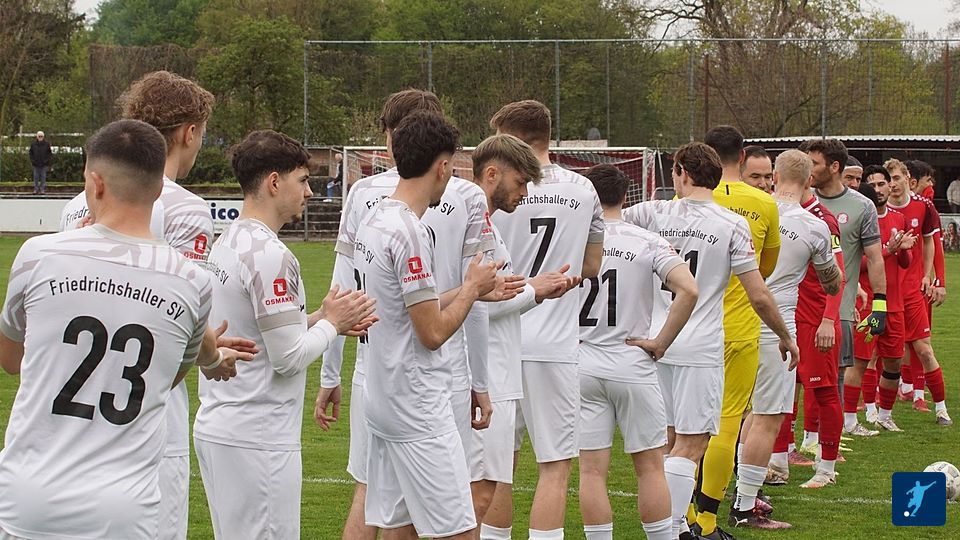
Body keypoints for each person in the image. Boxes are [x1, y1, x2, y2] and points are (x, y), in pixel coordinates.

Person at [0, 119, 250, 539]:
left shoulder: (38, 256)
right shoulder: (191, 282)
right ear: (158, 190)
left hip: (29, 498)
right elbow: (168, 378)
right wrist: (214, 358)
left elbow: (10, 360)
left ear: (95, 183)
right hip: (124, 510)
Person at [315, 89, 503, 540]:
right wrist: (472, 289)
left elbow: (399, 303)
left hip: (381, 392)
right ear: (442, 167)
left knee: (395, 521)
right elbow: (431, 333)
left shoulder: (375, 218)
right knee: (460, 530)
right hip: (417, 403)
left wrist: (468, 288)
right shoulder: (410, 231)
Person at [193, 130, 375, 540]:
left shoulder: (228, 240)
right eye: (303, 180)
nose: (309, 191)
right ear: (274, 182)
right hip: (259, 437)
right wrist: (332, 324)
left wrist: (319, 317)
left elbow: (261, 331)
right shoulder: (272, 255)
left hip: (222, 426)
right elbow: (287, 358)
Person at [624, 142, 798, 540]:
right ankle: (674, 530)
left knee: (668, 442)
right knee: (692, 444)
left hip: (654, 343)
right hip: (700, 347)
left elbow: (608, 219)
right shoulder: (730, 224)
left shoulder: (651, 213)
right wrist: (785, 335)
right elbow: (758, 293)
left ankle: (673, 527)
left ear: (682, 173)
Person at [487, 99, 605, 540]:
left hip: (499, 337)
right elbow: (591, 267)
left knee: (498, 466)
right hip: (553, 343)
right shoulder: (584, 189)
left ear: (513, 139)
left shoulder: (491, 189)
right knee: (554, 466)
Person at [466, 134, 579, 537]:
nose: (525, 193)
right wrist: (536, 290)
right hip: (486, 374)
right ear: (492, 174)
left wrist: (534, 286)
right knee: (477, 494)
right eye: (520, 182)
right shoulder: (473, 225)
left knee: (483, 490)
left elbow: (488, 295)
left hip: (497, 370)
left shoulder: (485, 224)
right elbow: (475, 302)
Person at [579, 164, 698, 540]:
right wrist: (661, 342)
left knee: (591, 471)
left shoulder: (574, 240)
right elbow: (689, 289)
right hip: (631, 360)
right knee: (650, 467)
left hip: (581, 361)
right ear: (623, 196)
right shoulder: (646, 240)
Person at [731, 150, 842, 527]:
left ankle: (719, 492)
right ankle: (745, 504)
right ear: (809, 181)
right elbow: (832, 281)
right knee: (767, 415)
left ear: (774, 177)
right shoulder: (814, 225)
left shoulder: (746, 213)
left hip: (732, 317)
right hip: (776, 327)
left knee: (734, 412)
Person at [695, 125, 781, 540]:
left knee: (684, 427)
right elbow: (764, 270)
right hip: (740, 328)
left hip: (690, 327)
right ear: (743, 156)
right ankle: (707, 520)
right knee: (728, 424)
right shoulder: (764, 203)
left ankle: (682, 515)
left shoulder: (682, 202)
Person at [844, 167, 913, 437]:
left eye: (882, 184)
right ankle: (850, 420)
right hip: (868, 303)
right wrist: (888, 250)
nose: (878, 189)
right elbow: (857, 263)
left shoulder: (898, 218)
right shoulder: (859, 218)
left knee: (894, 362)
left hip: (895, 305)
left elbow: (905, 262)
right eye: (872, 185)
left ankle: (885, 416)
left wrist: (903, 250)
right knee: (860, 362)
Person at [884, 158, 952, 426]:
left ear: (907, 178)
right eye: (888, 180)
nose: (892, 184)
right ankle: (874, 410)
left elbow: (931, 242)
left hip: (913, 291)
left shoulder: (924, 206)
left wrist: (929, 276)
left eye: (896, 178)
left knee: (923, 348)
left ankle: (940, 409)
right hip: (886, 291)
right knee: (881, 353)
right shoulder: (876, 209)